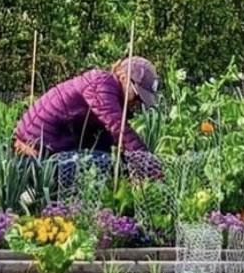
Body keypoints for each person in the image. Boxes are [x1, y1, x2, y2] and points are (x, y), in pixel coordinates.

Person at [13, 56, 164, 185]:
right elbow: (119, 129)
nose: (137, 103)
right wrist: (150, 166)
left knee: (107, 152)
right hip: (36, 150)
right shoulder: (101, 85)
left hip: (55, 146)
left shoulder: (109, 90)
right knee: (103, 163)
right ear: (124, 78)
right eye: (137, 96)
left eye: (141, 101)